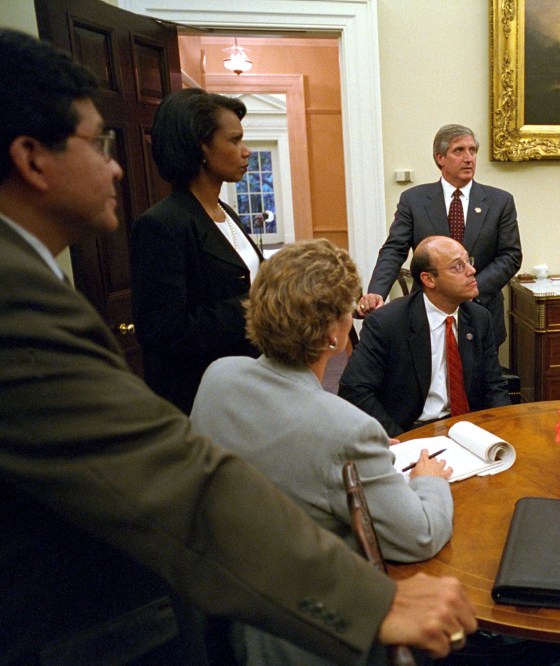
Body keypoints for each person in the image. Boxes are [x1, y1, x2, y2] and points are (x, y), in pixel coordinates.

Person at [0, 28, 475, 664]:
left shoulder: (226, 252)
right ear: (32, 159)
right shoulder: (32, 291)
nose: (116, 165)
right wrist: (371, 601)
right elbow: (186, 478)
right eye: (98, 142)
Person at [191, 238, 456, 664]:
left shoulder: (218, 376)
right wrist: (429, 484)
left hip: (224, 613)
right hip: (313, 633)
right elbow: (419, 536)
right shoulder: (344, 428)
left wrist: (364, 452)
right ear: (334, 333)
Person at [130, 88, 265, 414]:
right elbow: (163, 331)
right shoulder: (162, 224)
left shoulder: (225, 212)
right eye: (234, 141)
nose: (246, 151)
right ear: (199, 147)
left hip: (248, 383)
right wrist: (258, 304)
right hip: (200, 398)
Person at [356, 124, 522, 347]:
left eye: (472, 150)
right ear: (440, 158)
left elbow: (510, 256)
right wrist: (377, 292)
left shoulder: (499, 201)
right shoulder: (414, 200)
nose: (468, 158)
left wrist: (470, 287)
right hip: (427, 311)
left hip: (481, 309)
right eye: (459, 150)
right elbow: (394, 250)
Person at [340, 235, 511, 437]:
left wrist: (502, 430)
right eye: (457, 266)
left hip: (467, 429)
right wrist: (400, 440)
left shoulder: (479, 318)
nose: (472, 271)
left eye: (468, 261)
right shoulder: (388, 323)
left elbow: (494, 386)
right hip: (410, 429)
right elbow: (354, 390)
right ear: (428, 279)